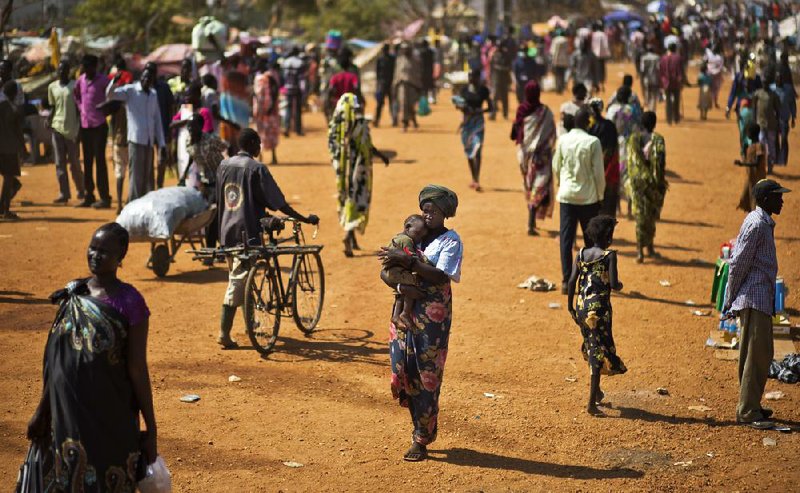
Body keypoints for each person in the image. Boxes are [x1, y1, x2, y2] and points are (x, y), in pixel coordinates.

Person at [24, 223, 158, 490]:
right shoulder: (74, 294)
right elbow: (57, 362)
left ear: (121, 257)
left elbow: (137, 368)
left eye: (105, 252)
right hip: (66, 417)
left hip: (111, 416)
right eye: (93, 248)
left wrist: (151, 429)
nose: (95, 255)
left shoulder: (130, 302)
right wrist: (42, 410)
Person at [380, 184, 463, 462]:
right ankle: (419, 425)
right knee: (402, 369)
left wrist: (409, 262)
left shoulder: (451, 241)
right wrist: (403, 287)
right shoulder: (412, 235)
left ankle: (421, 437)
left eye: (434, 210)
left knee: (427, 377)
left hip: (432, 319)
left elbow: (440, 277)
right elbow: (387, 271)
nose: (428, 215)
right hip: (404, 310)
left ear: (445, 213)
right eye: (425, 209)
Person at [216, 129, 319, 348]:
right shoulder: (256, 168)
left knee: (242, 279)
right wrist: (304, 218)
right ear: (252, 143)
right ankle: (224, 333)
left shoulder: (224, 165)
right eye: (259, 144)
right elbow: (278, 202)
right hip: (248, 233)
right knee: (238, 280)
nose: (260, 148)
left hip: (226, 231)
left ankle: (250, 323)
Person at [723, 179, 790, 428]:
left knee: (755, 355)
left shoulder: (762, 222)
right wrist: (730, 298)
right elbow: (738, 262)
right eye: (777, 196)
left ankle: (750, 404)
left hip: (758, 297)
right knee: (758, 355)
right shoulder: (757, 224)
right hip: (754, 298)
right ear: (764, 200)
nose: (782, 200)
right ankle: (747, 410)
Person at [566, 215, 627, 416]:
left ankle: (597, 391)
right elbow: (613, 283)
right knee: (598, 351)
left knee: (593, 345)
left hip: (582, 307)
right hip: (599, 310)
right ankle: (591, 403)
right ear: (608, 235)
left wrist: (570, 308)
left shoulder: (581, 253)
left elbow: (572, 281)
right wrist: (619, 285)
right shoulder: (609, 255)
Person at [328, 93, 390, 257]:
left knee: (347, 200)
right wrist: (382, 156)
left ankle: (353, 238)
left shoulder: (336, 126)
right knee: (355, 202)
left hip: (342, 174)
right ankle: (348, 236)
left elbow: (333, 149)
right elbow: (367, 145)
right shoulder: (360, 123)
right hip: (359, 172)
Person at [552, 107, 605, 294]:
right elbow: (599, 173)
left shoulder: (563, 140)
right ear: (588, 122)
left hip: (567, 196)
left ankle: (567, 281)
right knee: (591, 241)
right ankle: (590, 279)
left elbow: (556, 166)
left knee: (566, 240)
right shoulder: (593, 142)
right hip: (588, 197)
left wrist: (561, 182)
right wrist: (600, 195)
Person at [107, 70, 166, 203]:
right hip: (136, 140)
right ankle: (133, 205)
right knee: (136, 177)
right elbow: (110, 95)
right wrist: (114, 82)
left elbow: (157, 119)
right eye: (145, 77)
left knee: (146, 176)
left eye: (149, 78)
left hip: (149, 142)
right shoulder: (131, 91)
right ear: (141, 78)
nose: (146, 80)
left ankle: (143, 205)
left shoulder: (153, 94)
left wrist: (161, 144)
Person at [511, 80, 556, 235]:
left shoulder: (521, 110)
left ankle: (531, 221)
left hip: (524, 156)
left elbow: (514, 133)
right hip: (542, 157)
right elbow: (552, 134)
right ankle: (532, 221)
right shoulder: (545, 112)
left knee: (530, 186)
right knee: (539, 186)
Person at [626, 111, 667, 262]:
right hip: (653, 186)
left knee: (640, 217)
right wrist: (658, 182)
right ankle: (649, 247)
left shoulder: (633, 139)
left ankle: (640, 251)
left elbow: (632, 163)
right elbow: (661, 164)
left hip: (638, 186)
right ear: (654, 124)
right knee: (651, 216)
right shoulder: (658, 140)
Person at [74, 55, 112, 208]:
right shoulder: (80, 80)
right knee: (88, 162)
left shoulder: (104, 81)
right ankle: (89, 196)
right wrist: (81, 108)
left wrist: (105, 111)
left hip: (100, 126)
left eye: (89, 67)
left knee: (100, 161)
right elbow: (76, 96)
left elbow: (112, 98)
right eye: (84, 67)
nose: (86, 70)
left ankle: (104, 197)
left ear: (94, 67)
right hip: (85, 126)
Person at [186, 113, 227, 253]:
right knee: (210, 216)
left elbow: (226, 147)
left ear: (201, 127)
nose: (190, 130)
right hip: (206, 183)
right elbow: (192, 157)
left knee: (214, 215)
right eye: (189, 127)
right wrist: (183, 176)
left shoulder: (210, 140)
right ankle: (217, 248)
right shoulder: (189, 142)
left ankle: (212, 249)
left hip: (220, 180)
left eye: (193, 127)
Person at [47, 61, 85, 205]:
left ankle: (81, 190)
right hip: (57, 128)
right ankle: (64, 193)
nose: (61, 71)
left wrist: (79, 130)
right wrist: (49, 119)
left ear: (69, 71)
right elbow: (53, 107)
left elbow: (79, 109)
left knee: (74, 164)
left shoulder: (75, 86)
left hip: (72, 130)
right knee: (59, 163)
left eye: (64, 69)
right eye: (60, 69)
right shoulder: (52, 87)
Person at [382, 214, 428, 329]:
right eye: (417, 234)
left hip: (391, 271)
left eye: (421, 237)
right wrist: (421, 260)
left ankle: (396, 315)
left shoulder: (398, 237)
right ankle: (405, 313)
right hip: (396, 271)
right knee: (414, 283)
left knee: (402, 292)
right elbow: (409, 258)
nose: (418, 239)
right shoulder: (407, 240)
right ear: (407, 227)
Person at [454, 69, 493, 192]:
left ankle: (477, 179)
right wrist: (463, 108)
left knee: (477, 149)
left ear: (478, 78)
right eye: (469, 76)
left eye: (473, 76)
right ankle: (473, 177)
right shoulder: (464, 90)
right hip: (466, 124)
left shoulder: (483, 91)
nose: (471, 78)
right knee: (469, 151)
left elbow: (490, 107)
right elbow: (458, 105)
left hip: (478, 123)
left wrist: (479, 111)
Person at [143, 63, 175, 189]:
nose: (149, 74)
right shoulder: (143, 88)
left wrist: (170, 126)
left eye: (151, 71)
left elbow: (171, 107)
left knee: (162, 160)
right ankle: (150, 187)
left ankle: (160, 184)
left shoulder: (164, 87)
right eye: (147, 71)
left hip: (163, 129)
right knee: (149, 160)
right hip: (148, 131)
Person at [588, 99, 620, 217]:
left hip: (591, 171)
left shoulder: (588, 126)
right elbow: (613, 149)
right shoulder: (610, 125)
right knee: (608, 205)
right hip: (608, 171)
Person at [0, 81, 25, 220]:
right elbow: (18, 131)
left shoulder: (1, 106)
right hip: (10, 148)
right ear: (15, 94)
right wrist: (24, 148)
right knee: (8, 180)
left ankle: (2, 208)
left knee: (6, 179)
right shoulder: (14, 110)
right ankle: (6, 210)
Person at [253, 60, 281, 165]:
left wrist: (258, 110)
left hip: (262, 111)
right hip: (272, 110)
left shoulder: (259, 79)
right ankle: (274, 157)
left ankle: (260, 158)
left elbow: (258, 95)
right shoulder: (272, 77)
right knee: (272, 132)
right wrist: (272, 106)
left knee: (260, 133)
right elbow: (275, 93)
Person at [752, 74, 781, 173]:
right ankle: (762, 165)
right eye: (763, 82)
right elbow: (754, 108)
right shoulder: (758, 94)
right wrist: (753, 120)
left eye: (766, 82)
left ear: (769, 83)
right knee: (761, 145)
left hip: (771, 125)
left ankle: (770, 166)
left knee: (771, 147)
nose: (764, 84)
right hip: (760, 124)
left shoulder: (773, 95)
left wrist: (778, 123)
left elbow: (778, 110)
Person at [735, 123, 767, 212]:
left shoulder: (758, 146)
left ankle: (755, 217)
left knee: (755, 199)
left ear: (750, 133)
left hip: (758, 177)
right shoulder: (750, 147)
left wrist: (742, 164)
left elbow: (757, 163)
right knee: (747, 195)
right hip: (751, 177)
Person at [393, 42, 421, 131]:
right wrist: (395, 84)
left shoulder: (415, 60)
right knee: (403, 104)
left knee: (410, 105)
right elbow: (397, 72)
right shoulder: (399, 60)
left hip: (412, 85)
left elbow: (417, 73)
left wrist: (418, 86)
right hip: (402, 85)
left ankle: (414, 120)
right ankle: (405, 123)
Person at [771, 70, 796, 166]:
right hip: (774, 119)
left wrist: (793, 117)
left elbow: (792, 103)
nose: (779, 81)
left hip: (785, 118)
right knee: (775, 139)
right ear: (775, 80)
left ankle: (783, 159)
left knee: (784, 138)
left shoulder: (788, 90)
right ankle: (777, 158)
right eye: (777, 79)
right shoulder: (771, 89)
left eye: (780, 79)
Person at [282, 46, 306, 137]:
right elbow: (302, 79)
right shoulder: (300, 63)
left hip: (288, 88)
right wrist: (303, 91)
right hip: (297, 89)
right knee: (298, 109)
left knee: (288, 108)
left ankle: (287, 128)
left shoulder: (286, 62)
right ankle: (298, 130)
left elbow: (284, 77)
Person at [659, 42, 683, 125]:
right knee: (676, 101)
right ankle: (676, 118)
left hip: (666, 82)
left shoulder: (663, 58)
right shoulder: (678, 58)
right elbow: (680, 71)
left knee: (668, 101)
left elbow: (661, 71)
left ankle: (669, 119)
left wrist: (661, 83)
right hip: (676, 82)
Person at [374, 43, 397, 127]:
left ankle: (394, 120)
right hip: (383, 83)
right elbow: (377, 73)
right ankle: (376, 120)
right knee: (380, 103)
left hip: (389, 83)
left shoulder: (392, 59)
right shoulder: (380, 60)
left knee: (392, 102)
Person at [489, 43, 512, 120]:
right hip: (496, 79)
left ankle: (505, 114)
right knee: (495, 98)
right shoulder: (495, 55)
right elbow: (493, 67)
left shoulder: (506, 56)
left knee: (504, 98)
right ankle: (493, 114)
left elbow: (509, 67)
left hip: (504, 80)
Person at [639, 44, 661, 112]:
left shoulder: (643, 58)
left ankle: (648, 108)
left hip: (646, 79)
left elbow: (642, 70)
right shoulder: (657, 57)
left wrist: (641, 79)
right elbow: (658, 68)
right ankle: (652, 109)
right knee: (654, 94)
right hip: (655, 79)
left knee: (647, 93)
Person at [590, 22, 611, 92]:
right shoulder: (603, 34)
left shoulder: (594, 34)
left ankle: (597, 84)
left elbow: (592, 45)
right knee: (602, 69)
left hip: (595, 54)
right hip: (602, 55)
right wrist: (607, 53)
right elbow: (606, 44)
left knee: (596, 70)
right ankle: (602, 84)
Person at [550, 30, 570, 94]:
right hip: (564, 60)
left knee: (557, 75)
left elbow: (552, 51)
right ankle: (561, 88)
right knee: (562, 75)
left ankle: (557, 88)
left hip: (556, 60)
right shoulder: (566, 40)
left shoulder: (555, 40)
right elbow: (567, 50)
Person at [419, 40, 435, 106]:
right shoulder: (431, 52)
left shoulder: (420, 52)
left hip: (422, 72)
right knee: (430, 86)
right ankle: (431, 98)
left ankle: (424, 100)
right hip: (429, 71)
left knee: (423, 88)